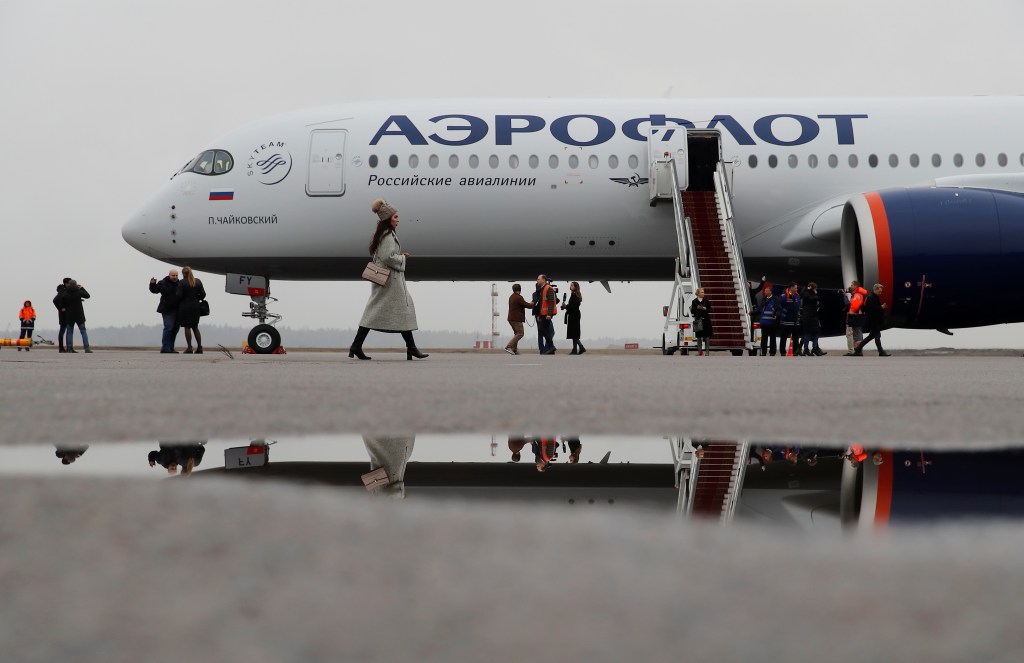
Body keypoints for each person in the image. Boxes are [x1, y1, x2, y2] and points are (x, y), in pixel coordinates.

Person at [349, 199, 428, 360]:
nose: (398, 220)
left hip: (388, 280)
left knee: (394, 311)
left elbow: (386, 255)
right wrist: (402, 259)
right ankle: (411, 348)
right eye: (395, 217)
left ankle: (357, 346)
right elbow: (387, 256)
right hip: (389, 281)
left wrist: (399, 256)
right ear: (388, 219)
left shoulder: (385, 234)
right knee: (394, 311)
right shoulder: (387, 235)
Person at [853, 283, 891, 356]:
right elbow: (869, 310)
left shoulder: (875, 297)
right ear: (875, 290)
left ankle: (858, 348)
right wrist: (881, 307)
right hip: (873, 321)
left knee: (871, 336)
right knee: (877, 336)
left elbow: (875, 308)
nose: (880, 293)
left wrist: (881, 308)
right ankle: (881, 352)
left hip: (875, 321)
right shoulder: (870, 298)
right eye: (879, 291)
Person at [176, 266, 206, 354]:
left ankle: (189, 347)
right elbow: (203, 295)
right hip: (196, 306)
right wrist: (197, 297)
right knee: (195, 327)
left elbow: (179, 295)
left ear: (183, 274)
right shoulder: (198, 281)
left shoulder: (182, 283)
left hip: (185, 307)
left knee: (187, 327)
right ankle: (200, 347)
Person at [149, 269, 181, 353]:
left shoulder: (180, 284)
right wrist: (152, 284)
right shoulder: (163, 282)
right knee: (169, 327)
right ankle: (165, 347)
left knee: (175, 329)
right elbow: (155, 290)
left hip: (177, 310)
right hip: (167, 309)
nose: (175, 277)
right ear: (169, 275)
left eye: (176, 275)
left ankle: (171, 347)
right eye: (173, 275)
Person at [60, 280, 91, 353]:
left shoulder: (65, 293)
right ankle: (87, 348)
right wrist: (82, 288)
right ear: (76, 285)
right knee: (83, 331)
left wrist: (64, 308)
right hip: (79, 315)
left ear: (69, 285)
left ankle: (70, 348)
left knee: (70, 332)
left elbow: (62, 303)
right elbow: (88, 296)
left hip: (69, 315)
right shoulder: (78, 292)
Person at [799, 282, 825, 356]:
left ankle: (811, 348)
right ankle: (808, 349)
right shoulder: (807, 295)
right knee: (810, 332)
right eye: (815, 289)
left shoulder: (805, 294)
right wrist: (815, 294)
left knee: (813, 332)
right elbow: (813, 298)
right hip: (809, 316)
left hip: (811, 316)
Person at [504, 284, 531, 355]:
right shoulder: (518, 297)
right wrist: (533, 304)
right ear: (520, 289)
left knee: (516, 333)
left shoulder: (511, 297)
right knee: (520, 333)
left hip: (511, 318)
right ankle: (508, 346)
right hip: (516, 319)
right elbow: (526, 305)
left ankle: (514, 350)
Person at [534, 274, 558, 355]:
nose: (537, 280)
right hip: (543, 313)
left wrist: (549, 314)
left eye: (538, 279)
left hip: (547, 314)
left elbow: (551, 301)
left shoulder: (548, 288)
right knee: (546, 330)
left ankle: (551, 346)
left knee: (542, 328)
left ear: (544, 279)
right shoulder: (542, 289)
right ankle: (551, 348)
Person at [776, 282, 801, 356]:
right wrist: (783, 314)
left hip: (795, 321)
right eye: (795, 288)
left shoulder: (797, 296)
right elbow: (779, 307)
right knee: (783, 338)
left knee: (795, 338)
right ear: (791, 288)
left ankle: (795, 352)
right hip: (785, 322)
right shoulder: (783, 296)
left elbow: (798, 306)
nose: (797, 289)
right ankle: (783, 352)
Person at [844, 280, 868, 356]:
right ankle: (858, 350)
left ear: (856, 286)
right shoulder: (858, 294)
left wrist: (850, 312)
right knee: (857, 334)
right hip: (858, 316)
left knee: (856, 334)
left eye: (852, 285)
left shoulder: (857, 294)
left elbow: (853, 305)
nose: (851, 286)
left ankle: (857, 351)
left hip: (855, 316)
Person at [689, 287, 713, 355]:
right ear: (698, 293)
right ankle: (700, 352)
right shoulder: (694, 301)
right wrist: (697, 308)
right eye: (702, 292)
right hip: (698, 320)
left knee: (707, 336)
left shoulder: (706, 300)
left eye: (703, 292)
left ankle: (707, 352)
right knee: (698, 337)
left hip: (706, 320)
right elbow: (693, 311)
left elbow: (710, 310)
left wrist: (704, 308)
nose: (703, 293)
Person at [756, 283, 778, 356]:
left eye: (766, 291)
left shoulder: (775, 299)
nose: (765, 292)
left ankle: (772, 352)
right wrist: (752, 312)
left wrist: (777, 315)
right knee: (764, 338)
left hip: (772, 323)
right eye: (765, 291)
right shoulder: (764, 299)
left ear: (770, 292)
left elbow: (779, 309)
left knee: (772, 338)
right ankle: (764, 352)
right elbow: (760, 309)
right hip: (764, 323)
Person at [564, 281, 585, 355]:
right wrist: (566, 306)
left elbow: (572, 306)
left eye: (572, 285)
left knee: (574, 333)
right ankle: (575, 349)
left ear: (575, 287)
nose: (571, 286)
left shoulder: (574, 295)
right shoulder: (576, 294)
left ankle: (581, 347)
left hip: (573, 315)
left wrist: (565, 306)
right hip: (575, 314)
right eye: (571, 285)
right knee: (574, 333)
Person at [52, 277, 71, 353]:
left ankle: (66, 348)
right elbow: (55, 300)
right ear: (66, 283)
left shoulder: (64, 290)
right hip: (63, 315)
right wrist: (61, 308)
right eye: (69, 283)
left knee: (66, 331)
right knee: (62, 331)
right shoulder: (62, 290)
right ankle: (61, 348)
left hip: (66, 314)